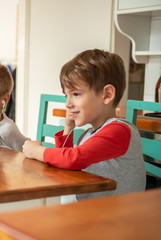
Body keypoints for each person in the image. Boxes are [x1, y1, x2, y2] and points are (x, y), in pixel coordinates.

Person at [22, 49, 146, 200]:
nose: (67, 104)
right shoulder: (89, 134)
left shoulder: (119, 130)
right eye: (66, 96)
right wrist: (68, 128)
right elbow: (63, 165)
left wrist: (37, 151)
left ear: (106, 95)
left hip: (120, 219)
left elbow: (74, 158)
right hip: (95, 214)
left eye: (76, 94)